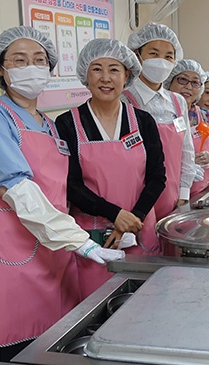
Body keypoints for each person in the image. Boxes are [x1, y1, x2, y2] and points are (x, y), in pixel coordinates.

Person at [0, 26, 124, 365]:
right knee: (7, 339)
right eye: (18, 59)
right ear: (0, 69)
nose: (30, 66)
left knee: (49, 336)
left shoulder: (47, 124)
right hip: (1, 244)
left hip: (49, 247)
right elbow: (16, 188)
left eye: (39, 60)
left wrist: (86, 234)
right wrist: (79, 242)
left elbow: (56, 193)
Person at [55, 38, 166, 298]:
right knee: (97, 309)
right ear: (85, 74)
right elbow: (70, 183)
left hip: (140, 231)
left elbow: (157, 176)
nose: (106, 78)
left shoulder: (143, 120)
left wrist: (133, 217)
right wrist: (115, 215)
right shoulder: (67, 123)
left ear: (127, 75)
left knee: (144, 306)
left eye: (114, 69)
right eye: (97, 69)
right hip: (94, 237)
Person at [123, 22, 200, 219]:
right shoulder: (125, 99)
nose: (161, 62)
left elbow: (187, 150)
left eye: (168, 56)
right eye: (154, 54)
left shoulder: (178, 101)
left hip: (173, 195)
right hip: (136, 198)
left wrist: (183, 192)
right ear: (137, 55)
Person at [165, 60, 209, 196]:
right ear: (169, 82)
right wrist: (184, 169)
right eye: (182, 80)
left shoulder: (208, 117)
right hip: (168, 194)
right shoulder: (160, 116)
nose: (189, 87)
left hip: (201, 193)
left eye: (195, 83)